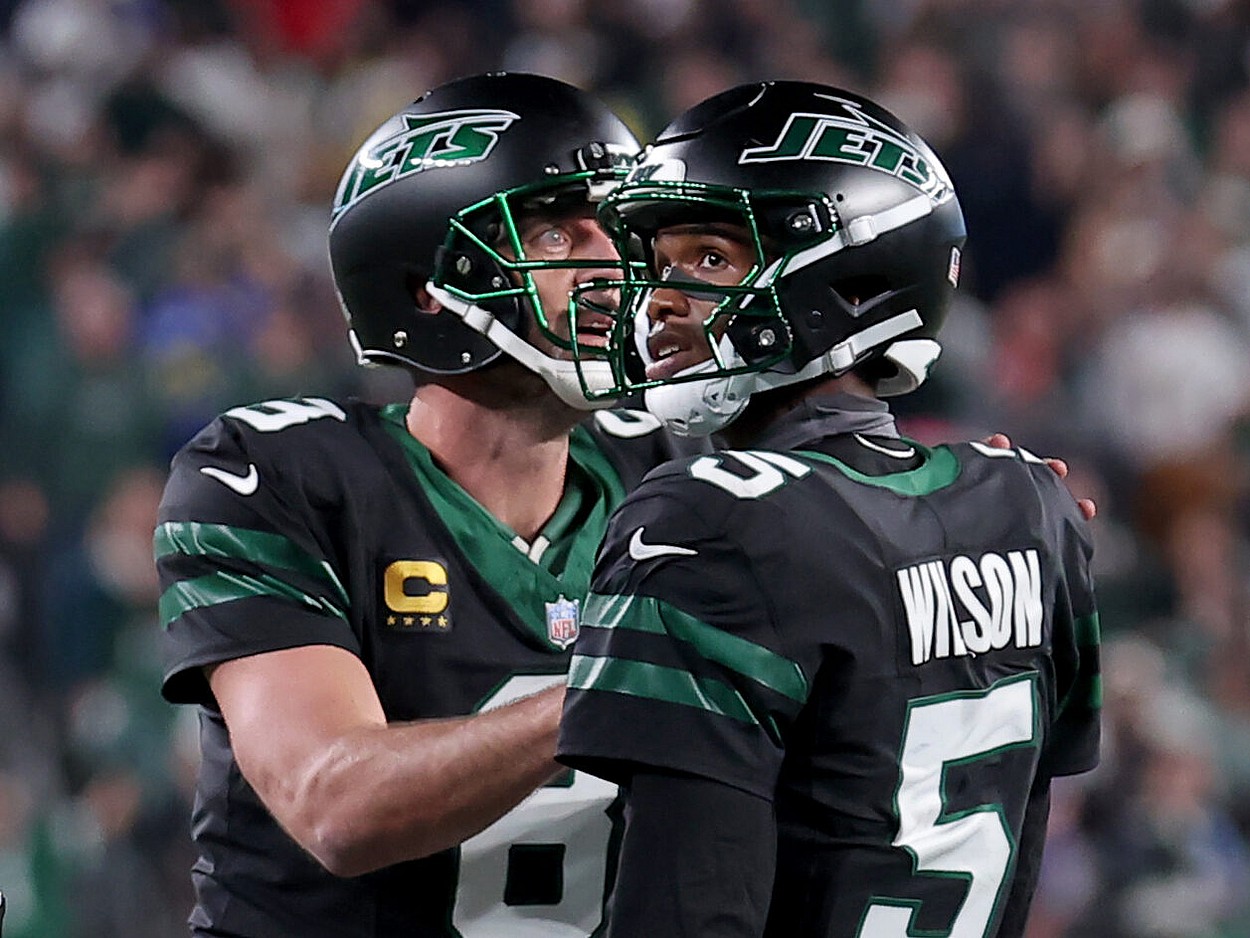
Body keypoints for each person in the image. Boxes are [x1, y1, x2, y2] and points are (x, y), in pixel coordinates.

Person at [153, 72, 696, 937]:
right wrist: (622, 680)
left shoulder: (675, 475)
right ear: (428, 289)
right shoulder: (274, 475)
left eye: (617, 230)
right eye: (558, 233)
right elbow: (335, 805)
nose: (612, 264)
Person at [556, 81, 1102, 937]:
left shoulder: (707, 519)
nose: (659, 297)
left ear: (851, 281)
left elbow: (684, 909)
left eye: (709, 259)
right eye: (660, 263)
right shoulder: (1030, 500)